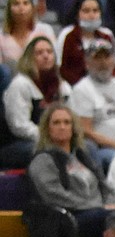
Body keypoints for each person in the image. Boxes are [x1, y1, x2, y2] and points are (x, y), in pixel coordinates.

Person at [24, 102, 115, 237]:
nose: (62, 127)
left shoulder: (83, 156)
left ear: (73, 128)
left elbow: (105, 186)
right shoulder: (42, 160)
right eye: (56, 122)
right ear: (47, 129)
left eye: (67, 122)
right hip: (66, 220)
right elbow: (54, 196)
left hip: (97, 215)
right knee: (114, 221)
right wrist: (97, 208)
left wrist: (113, 205)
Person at [68, 38, 115, 167]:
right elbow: (85, 130)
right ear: (87, 63)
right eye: (97, 58)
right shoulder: (82, 89)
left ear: (114, 61)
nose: (103, 63)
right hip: (103, 150)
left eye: (107, 57)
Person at [3, 37, 70, 167]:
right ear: (29, 58)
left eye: (49, 52)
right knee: (48, 151)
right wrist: (51, 136)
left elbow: (72, 117)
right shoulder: (20, 84)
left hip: (56, 138)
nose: (46, 56)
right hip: (20, 143)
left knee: (87, 147)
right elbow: (19, 126)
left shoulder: (62, 85)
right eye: (39, 53)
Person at [0, 0, 54, 75]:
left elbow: (53, 60)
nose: (21, 8)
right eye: (16, 4)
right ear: (9, 10)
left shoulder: (45, 30)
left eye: (25, 3)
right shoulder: (1, 36)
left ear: (32, 8)